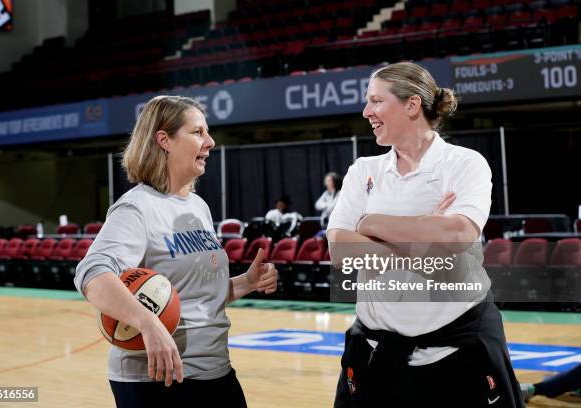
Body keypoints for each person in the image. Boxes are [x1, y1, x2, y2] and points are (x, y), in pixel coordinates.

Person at [327, 62, 524, 407]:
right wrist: (422, 245)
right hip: (376, 352)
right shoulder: (363, 171)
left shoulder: (465, 163)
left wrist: (370, 224)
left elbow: (457, 234)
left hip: (458, 350)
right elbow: (341, 250)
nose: (366, 111)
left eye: (375, 101)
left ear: (412, 104)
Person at [73, 95, 277, 408]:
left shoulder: (198, 208)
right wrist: (147, 322)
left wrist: (246, 282)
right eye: (197, 133)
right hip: (158, 379)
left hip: (216, 370)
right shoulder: (136, 207)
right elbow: (92, 274)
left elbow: (196, 295)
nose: (209, 141)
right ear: (164, 140)